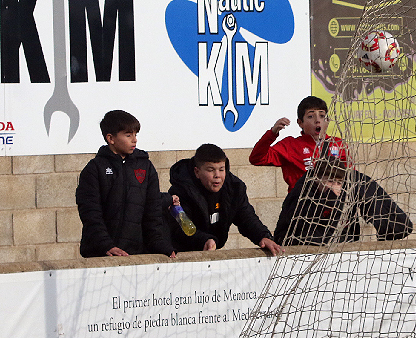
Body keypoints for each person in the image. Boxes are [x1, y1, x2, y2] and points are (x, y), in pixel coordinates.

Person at [76, 110, 176, 258]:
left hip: (137, 253)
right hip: (101, 254)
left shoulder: (146, 167)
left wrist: (159, 243)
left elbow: (152, 212)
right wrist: (106, 245)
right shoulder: (94, 169)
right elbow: (91, 213)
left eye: (136, 134)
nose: (134, 140)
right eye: (128, 135)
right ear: (111, 138)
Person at [167, 143, 283, 256]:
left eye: (221, 169)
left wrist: (263, 236)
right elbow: (179, 229)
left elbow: (246, 217)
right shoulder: (181, 191)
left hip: (212, 250)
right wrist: (205, 240)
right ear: (197, 172)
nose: (217, 175)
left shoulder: (234, 187)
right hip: (181, 254)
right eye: (211, 170)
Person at [274, 155, 413, 245]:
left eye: (338, 183)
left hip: (345, 246)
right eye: (330, 181)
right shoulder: (302, 194)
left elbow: (400, 225)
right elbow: (286, 233)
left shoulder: (354, 185)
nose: (335, 187)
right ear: (317, 179)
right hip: (309, 250)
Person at [249, 95, 348, 193]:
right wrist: (272, 133)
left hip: (331, 205)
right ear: (300, 122)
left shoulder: (338, 144)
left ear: (327, 121)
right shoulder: (290, 145)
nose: (317, 120)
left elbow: (348, 175)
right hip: (301, 205)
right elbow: (257, 159)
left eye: (322, 116)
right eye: (311, 116)